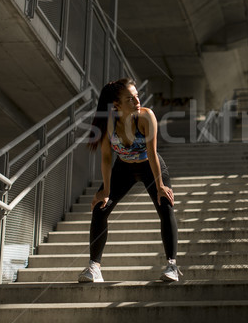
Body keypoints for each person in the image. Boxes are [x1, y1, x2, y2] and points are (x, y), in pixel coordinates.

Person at [78, 78, 181, 282]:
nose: (136, 101)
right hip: (123, 167)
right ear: (116, 104)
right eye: (130, 98)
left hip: (149, 165)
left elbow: (152, 154)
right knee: (100, 208)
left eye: (137, 96)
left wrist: (160, 186)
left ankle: (172, 266)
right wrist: (106, 190)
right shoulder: (108, 121)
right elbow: (107, 158)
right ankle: (94, 268)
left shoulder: (145, 117)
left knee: (165, 204)